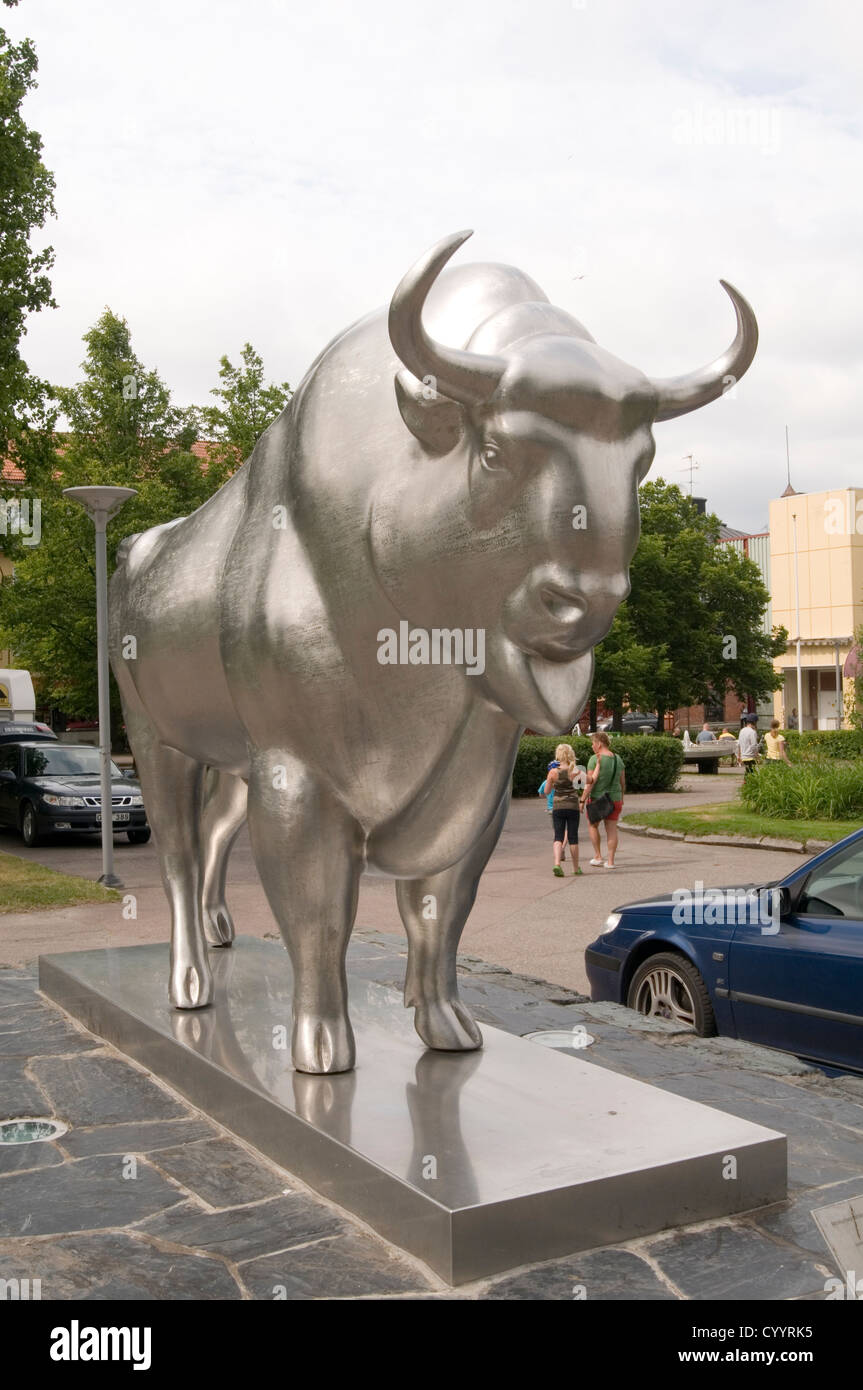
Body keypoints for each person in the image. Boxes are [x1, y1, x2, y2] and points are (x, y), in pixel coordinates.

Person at [581, 732, 625, 868]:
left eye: (593, 743)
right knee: (611, 829)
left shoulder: (595, 759)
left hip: (598, 798)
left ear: (599, 743)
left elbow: (590, 783)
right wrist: (621, 797)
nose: (592, 746)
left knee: (592, 825)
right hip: (616, 798)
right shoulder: (618, 759)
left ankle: (598, 856)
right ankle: (611, 861)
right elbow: (622, 782)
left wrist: (582, 800)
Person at [544, 743, 585, 877]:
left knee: (558, 837)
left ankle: (557, 864)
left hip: (558, 807)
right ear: (570, 754)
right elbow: (587, 781)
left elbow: (546, 790)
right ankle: (575, 868)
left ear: (558, 755)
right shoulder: (575, 770)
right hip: (573, 806)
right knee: (573, 837)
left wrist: (554, 784)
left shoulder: (553, 772)